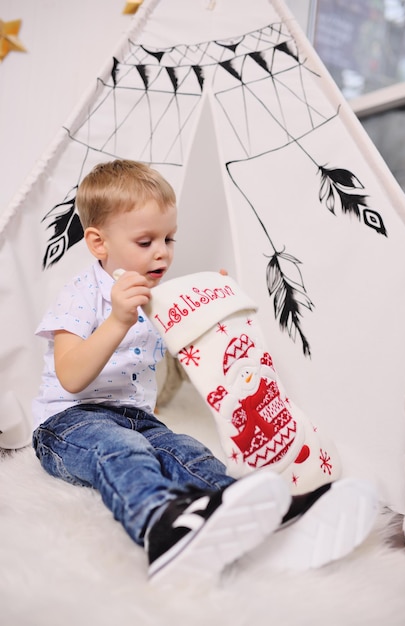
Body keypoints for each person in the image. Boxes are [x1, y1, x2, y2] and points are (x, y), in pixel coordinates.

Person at [32, 159, 377, 586]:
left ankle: (252, 515)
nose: (162, 251)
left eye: (169, 238)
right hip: (67, 423)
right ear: (99, 243)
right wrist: (117, 320)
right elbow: (70, 376)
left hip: (138, 416)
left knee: (184, 449)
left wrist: (211, 305)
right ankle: (163, 527)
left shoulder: (158, 297)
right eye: (145, 241)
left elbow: (204, 351)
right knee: (122, 449)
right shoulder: (81, 296)